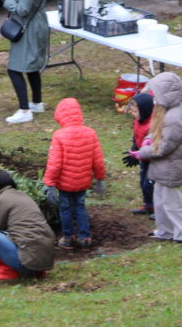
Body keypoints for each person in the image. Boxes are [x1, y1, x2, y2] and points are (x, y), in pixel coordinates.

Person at [130, 72, 182, 244]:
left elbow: (164, 147)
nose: (153, 97)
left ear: (166, 95)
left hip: (171, 167)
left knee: (172, 204)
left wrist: (142, 152)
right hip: (163, 167)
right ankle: (166, 231)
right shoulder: (165, 112)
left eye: (156, 93)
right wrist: (148, 139)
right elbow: (158, 133)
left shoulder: (174, 118)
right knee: (159, 202)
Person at [0, 170, 55, 280]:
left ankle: (7, 270)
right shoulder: (24, 196)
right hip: (44, 263)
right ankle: (36, 271)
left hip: (24, 263)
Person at [43, 98, 106, 250]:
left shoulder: (59, 135)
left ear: (60, 115)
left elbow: (55, 163)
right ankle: (85, 238)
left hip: (65, 183)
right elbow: (97, 160)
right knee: (80, 206)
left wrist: (49, 184)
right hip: (83, 181)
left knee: (65, 208)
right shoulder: (90, 133)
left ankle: (68, 237)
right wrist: (99, 179)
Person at [123, 92, 155, 216]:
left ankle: (157, 207)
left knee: (150, 184)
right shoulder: (137, 121)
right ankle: (148, 205)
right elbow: (136, 136)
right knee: (142, 182)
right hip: (143, 158)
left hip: (153, 160)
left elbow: (154, 146)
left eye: (135, 112)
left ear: (145, 111)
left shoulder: (152, 126)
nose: (133, 114)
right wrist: (134, 150)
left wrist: (140, 153)